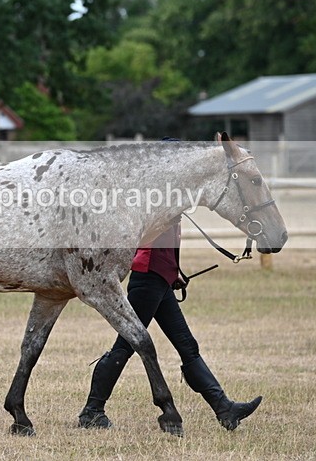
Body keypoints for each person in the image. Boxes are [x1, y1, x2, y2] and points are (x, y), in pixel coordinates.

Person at [78, 142, 262, 432]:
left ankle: (225, 409)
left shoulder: (169, 197)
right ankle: (91, 411)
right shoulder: (156, 196)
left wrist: (173, 272)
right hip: (147, 277)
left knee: (187, 347)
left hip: (160, 278)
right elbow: (144, 237)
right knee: (125, 345)